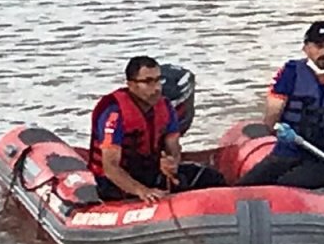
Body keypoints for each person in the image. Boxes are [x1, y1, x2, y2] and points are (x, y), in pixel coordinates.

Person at [237, 20, 324, 189]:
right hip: (287, 153)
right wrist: (276, 129)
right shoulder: (290, 72)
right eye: (319, 46)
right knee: (245, 186)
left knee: (284, 187)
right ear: (306, 48)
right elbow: (272, 113)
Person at [88, 56, 227, 202]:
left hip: (149, 172)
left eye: (158, 80)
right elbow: (110, 167)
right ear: (131, 84)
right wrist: (141, 190)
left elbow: (173, 147)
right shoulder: (114, 112)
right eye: (148, 82)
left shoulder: (165, 107)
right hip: (114, 181)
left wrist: (172, 163)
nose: (157, 88)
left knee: (210, 178)